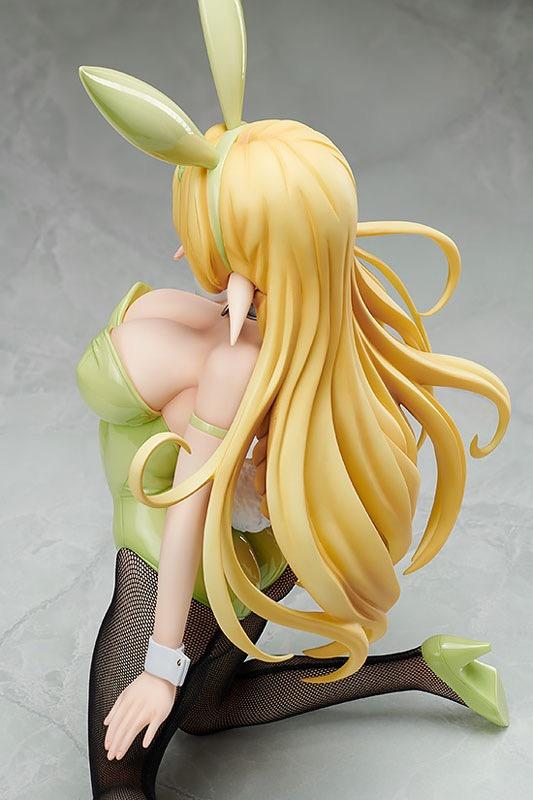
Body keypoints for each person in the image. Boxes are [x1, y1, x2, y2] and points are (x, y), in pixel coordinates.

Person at [76, 2, 511, 798]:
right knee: (210, 713)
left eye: (209, 220)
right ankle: (423, 669)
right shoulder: (264, 323)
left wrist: (161, 665)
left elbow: (190, 510)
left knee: (119, 780)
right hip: (242, 538)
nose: (187, 240)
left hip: (189, 559)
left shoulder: (238, 361)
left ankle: (191, 679)